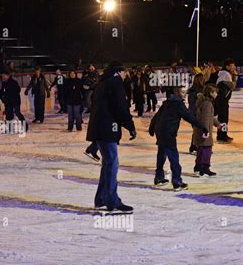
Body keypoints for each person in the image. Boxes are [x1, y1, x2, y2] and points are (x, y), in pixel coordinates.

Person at [86, 61, 137, 212]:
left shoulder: (102, 83)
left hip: (100, 129)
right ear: (119, 72)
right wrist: (130, 125)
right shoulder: (115, 83)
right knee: (112, 164)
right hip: (107, 129)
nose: (125, 76)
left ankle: (102, 198)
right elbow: (121, 106)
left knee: (108, 164)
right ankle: (112, 201)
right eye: (124, 73)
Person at [149, 86, 208, 191]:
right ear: (177, 92)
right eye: (182, 92)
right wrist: (203, 127)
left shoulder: (167, 103)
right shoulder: (178, 104)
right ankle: (177, 182)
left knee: (161, 155)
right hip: (168, 134)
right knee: (173, 157)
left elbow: (156, 117)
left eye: (185, 92)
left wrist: (152, 128)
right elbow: (189, 117)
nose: (184, 94)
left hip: (161, 132)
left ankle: (159, 178)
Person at [193, 84, 221, 176]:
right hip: (204, 130)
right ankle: (205, 167)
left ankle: (198, 167)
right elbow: (205, 118)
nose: (216, 94)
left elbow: (210, 117)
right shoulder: (207, 103)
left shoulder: (205, 102)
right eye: (215, 92)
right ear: (211, 93)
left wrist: (218, 124)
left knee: (202, 149)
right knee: (207, 149)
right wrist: (206, 131)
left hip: (201, 129)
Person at [215, 58, 237, 144]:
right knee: (223, 119)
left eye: (234, 65)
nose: (233, 67)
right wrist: (235, 76)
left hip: (222, 100)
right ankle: (221, 136)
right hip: (222, 100)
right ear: (227, 66)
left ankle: (222, 134)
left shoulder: (223, 74)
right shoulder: (226, 75)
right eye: (232, 65)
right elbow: (233, 86)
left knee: (223, 119)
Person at [187, 73, 205, 154]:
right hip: (196, 113)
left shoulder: (192, 90)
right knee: (198, 130)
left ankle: (194, 146)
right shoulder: (200, 91)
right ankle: (195, 146)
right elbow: (198, 103)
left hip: (191, 113)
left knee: (196, 130)